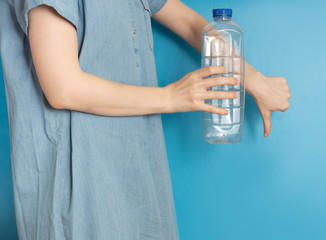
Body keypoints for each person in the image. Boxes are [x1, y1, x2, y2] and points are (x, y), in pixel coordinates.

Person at [0, 0, 291, 239]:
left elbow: (191, 24)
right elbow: (63, 88)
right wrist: (171, 97)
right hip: (81, 184)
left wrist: (254, 80)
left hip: (137, 171)